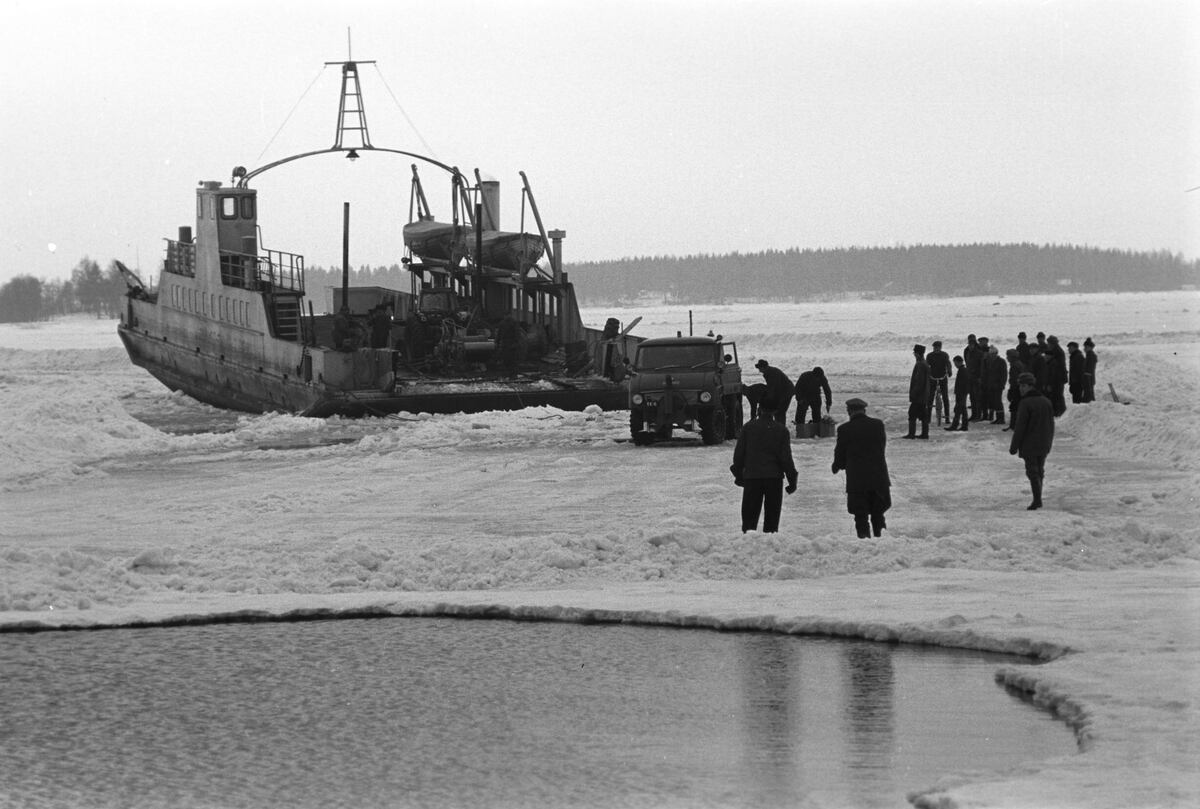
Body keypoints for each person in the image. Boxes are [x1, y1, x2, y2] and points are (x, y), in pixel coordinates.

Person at [730, 401, 798, 533]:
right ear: (775, 411)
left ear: (759, 409)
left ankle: (749, 544)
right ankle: (770, 545)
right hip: (774, 478)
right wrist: (792, 480)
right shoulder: (781, 430)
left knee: (749, 520)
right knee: (772, 520)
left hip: (752, 477)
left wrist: (739, 475)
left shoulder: (748, 427)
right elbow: (786, 458)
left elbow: (739, 455)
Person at [831, 398, 891, 538]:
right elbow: (881, 446)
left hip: (857, 480)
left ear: (849, 411)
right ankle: (881, 541)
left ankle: (864, 541)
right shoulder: (878, 425)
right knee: (878, 514)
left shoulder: (845, 429)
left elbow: (840, 453)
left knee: (860, 516)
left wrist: (837, 466)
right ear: (864, 410)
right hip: (878, 478)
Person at [1010, 371, 1055, 510]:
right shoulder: (1046, 401)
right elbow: (1051, 424)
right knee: (1039, 470)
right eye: (1020, 386)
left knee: (1032, 472)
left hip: (1030, 443)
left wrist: (1014, 446)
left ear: (1030, 386)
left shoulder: (1025, 403)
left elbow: (1020, 427)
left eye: (1023, 386)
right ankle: (1038, 498)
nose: (1020, 389)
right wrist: (1049, 442)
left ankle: (1037, 500)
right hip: (1044, 443)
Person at [793, 366, 832, 437]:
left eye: (819, 377)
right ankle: (800, 431)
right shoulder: (804, 376)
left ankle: (817, 431)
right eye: (817, 377)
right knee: (800, 414)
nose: (818, 379)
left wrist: (829, 403)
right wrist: (799, 399)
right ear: (813, 374)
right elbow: (797, 389)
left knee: (817, 414)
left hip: (815, 396)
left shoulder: (822, 378)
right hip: (804, 395)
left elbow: (827, 390)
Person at [755, 359, 794, 425]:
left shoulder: (772, 373)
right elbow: (771, 388)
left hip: (786, 393)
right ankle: (777, 426)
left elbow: (775, 388)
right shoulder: (768, 372)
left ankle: (780, 428)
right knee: (777, 411)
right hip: (781, 392)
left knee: (780, 412)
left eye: (760, 368)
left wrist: (771, 400)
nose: (759, 370)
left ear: (764, 367)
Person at [903, 343, 931, 439]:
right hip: (924, 395)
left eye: (914, 353)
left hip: (919, 396)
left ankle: (911, 434)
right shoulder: (925, 363)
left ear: (918, 354)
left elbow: (919, 382)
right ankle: (925, 434)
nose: (914, 354)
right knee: (923, 415)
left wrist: (914, 394)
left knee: (912, 414)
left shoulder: (920, 364)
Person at [926, 341, 952, 425]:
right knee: (930, 398)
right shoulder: (929, 356)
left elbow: (948, 363)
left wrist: (949, 371)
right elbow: (927, 365)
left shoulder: (944, 355)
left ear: (940, 347)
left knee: (945, 397)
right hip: (932, 378)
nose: (936, 348)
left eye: (938, 347)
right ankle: (928, 417)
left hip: (942, 377)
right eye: (935, 347)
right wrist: (927, 373)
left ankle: (947, 417)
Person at [945, 355, 970, 431]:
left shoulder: (962, 371)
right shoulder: (963, 370)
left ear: (959, 362)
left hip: (961, 393)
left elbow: (962, 384)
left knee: (958, 409)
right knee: (962, 409)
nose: (955, 365)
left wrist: (959, 392)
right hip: (962, 393)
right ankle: (964, 425)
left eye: (955, 363)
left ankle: (955, 425)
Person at [985, 344, 1008, 425]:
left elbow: (1004, 374)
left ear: (996, 353)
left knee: (998, 402)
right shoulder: (990, 361)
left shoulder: (1001, 362)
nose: (991, 356)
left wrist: (1002, 384)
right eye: (990, 354)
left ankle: (1001, 418)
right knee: (993, 401)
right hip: (991, 385)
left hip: (998, 385)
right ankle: (996, 417)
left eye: (992, 354)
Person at [963, 334, 984, 421]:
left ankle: (978, 415)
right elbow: (967, 363)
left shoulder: (979, 353)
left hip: (977, 377)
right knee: (972, 397)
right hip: (970, 377)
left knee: (977, 397)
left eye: (972, 344)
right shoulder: (967, 352)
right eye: (969, 344)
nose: (970, 346)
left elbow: (982, 366)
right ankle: (974, 414)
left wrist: (980, 376)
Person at [1082, 338, 1098, 403]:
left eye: (1086, 347)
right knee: (1089, 394)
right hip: (1089, 378)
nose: (1084, 348)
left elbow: (1089, 369)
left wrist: (1086, 376)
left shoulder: (1091, 355)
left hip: (1088, 378)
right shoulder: (1089, 355)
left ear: (1090, 347)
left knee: (1089, 395)